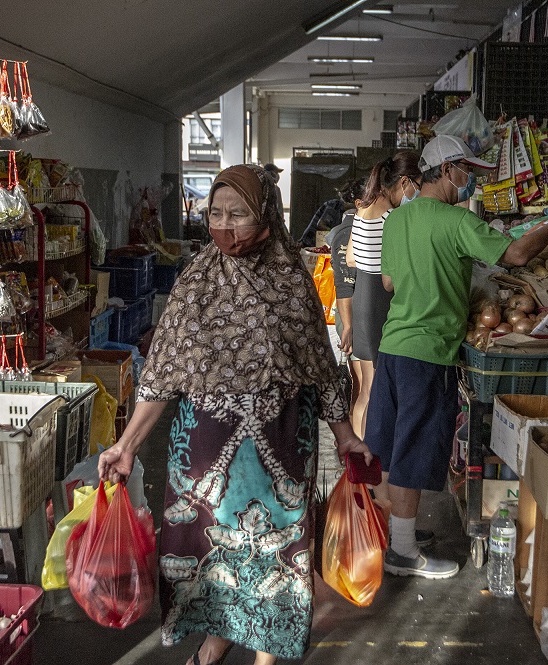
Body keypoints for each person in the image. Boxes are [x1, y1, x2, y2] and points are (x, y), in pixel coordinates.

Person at [99, 164, 371, 665]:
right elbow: (162, 373)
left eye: (238, 214)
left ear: (266, 215)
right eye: (216, 214)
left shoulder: (292, 280)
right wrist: (127, 445)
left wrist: (345, 434)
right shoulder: (196, 281)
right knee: (210, 554)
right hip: (206, 453)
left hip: (281, 447)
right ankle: (216, 641)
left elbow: (321, 366)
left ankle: (266, 650)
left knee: (276, 554)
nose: (225, 225)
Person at [368, 135, 548, 580]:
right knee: (412, 451)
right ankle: (403, 554)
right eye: (468, 172)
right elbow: (518, 254)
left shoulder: (396, 219)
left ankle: (398, 535)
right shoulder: (454, 222)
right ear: (448, 171)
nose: (472, 182)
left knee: (393, 447)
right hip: (428, 352)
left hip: (393, 347)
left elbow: (389, 283)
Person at [345, 151, 422, 442]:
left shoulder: (364, 207)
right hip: (379, 299)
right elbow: (391, 280)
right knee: (379, 392)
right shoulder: (392, 216)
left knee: (366, 389)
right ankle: (372, 458)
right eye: (417, 184)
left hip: (363, 295)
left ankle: (359, 460)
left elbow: (351, 258)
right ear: (404, 182)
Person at [324, 179, 365, 425]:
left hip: (357, 315)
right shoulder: (346, 234)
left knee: (362, 389)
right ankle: (358, 454)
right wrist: (348, 327)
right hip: (353, 315)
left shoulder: (344, 231)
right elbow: (344, 285)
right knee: (360, 388)